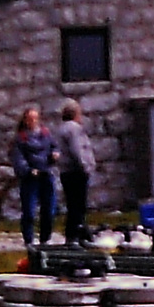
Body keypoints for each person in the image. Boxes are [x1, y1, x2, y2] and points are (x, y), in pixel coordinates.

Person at [9, 106, 58, 246]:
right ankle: (29, 239)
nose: (33, 121)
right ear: (25, 120)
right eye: (30, 119)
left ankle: (45, 238)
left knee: (49, 209)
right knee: (29, 211)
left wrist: (55, 154)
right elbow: (18, 158)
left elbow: (54, 146)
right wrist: (28, 170)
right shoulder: (20, 138)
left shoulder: (45, 133)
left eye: (35, 119)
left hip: (46, 173)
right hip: (30, 177)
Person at [56, 99, 97, 246]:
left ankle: (75, 232)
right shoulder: (74, 129)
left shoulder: (61, 129)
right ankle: (77, 234)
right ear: (76, 114)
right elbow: (77, 149)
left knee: (72, 204)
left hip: (66, 171)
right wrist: (85, 166)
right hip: (76, 171)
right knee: (79, 204)